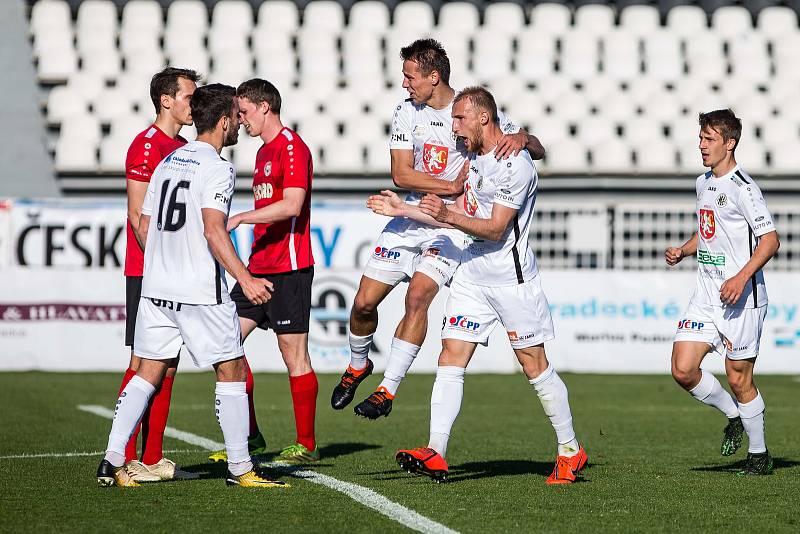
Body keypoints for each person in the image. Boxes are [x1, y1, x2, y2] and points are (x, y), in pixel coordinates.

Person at [367, 87, 587, 485]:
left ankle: (570, 449)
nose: (453, 129)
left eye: (459, 120)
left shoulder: (514, 164)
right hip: (472, 273)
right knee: (450, 354)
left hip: (511, 279)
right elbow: (456, 216)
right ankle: (436, 449)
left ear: (484, 118)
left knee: (533, 365)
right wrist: (403, 209)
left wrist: (449, 214)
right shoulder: (473, 157)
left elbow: (495, 227)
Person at [331, 38, 546, 420]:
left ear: (434, 77)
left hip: (451, 225)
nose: (404, 84)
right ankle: (358, 362)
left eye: (410, 76)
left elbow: (537, 150)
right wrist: (447, 187)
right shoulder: (405, 112)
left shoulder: (470, 110)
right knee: (363, 303)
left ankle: (387, 390)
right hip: (409, 215)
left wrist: (524, 138)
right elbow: (400, 174)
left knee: (418, 297)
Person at [96, 84, 286, 488]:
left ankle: (113, 458)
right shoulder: (218, 167)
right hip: (199, 292)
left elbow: (144, 226)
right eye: (235, 117)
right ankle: (241, 468)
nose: (239, 123)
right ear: (222, 122)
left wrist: (166, 264)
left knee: (147, 372)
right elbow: (214, 230)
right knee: (231, 369)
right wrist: (245, 278)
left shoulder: (168, 162)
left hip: (156, 289)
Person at [207, 78, 319, 465]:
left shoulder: (292, 148)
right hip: (256, 270)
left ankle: (305, 444)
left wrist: (241, 217)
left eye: (244, 111)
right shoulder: (261, 153)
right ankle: (250, 436)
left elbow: (292, 205)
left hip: (289, 268)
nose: (240, 120)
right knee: (227, 347)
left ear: (264, 107)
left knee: (294, 357)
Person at [666, 109, 779, 476]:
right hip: (706, 294)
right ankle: (733, 416)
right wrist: (684, 250)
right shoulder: (703, 183)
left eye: (709, 139)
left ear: (730, 144)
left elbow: (770, 241)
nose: (701, 145)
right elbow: (710, 231)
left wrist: (742, 277)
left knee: (738, 377)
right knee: (683, 370)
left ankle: (759, 455)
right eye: (700, 138)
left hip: (741, 299)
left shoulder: (744, 188)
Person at [119, 67, 199, 482]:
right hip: (148, 270)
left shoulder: (181, 145)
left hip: (171, 273)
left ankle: (151, 458)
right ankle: (123, 458)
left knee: (167, 364)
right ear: (166, 100)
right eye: (188, 96)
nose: (193, 103)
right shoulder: (148, 146)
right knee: (142, 363)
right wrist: (167, 263)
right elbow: (138, 218)